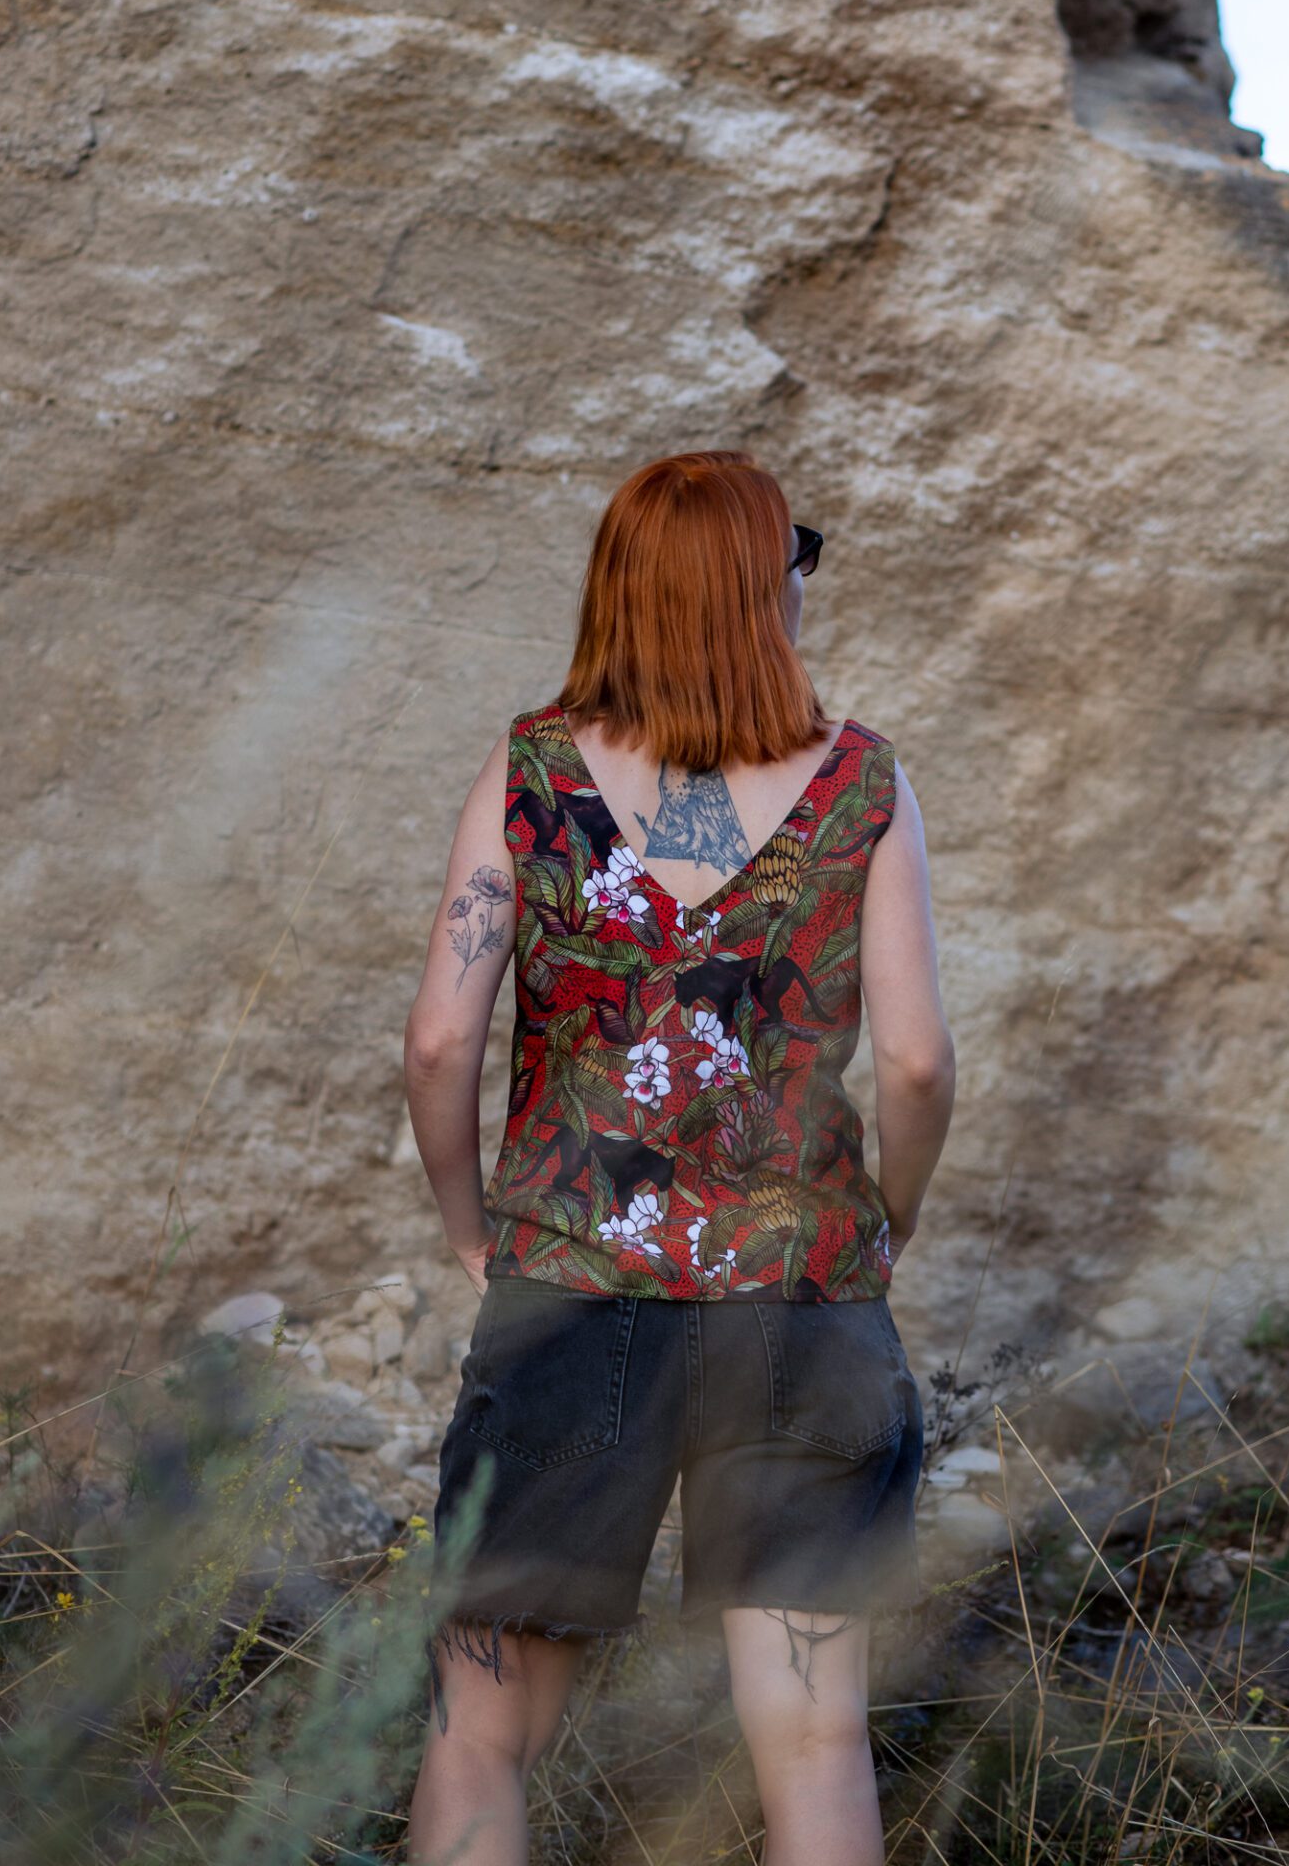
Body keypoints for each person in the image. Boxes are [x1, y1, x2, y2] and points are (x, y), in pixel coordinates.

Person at [400, 449, 956, 1866]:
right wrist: (878, 1223)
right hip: (801, 1297)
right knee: (814, 1744)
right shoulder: (861, 784)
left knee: (481, 1735)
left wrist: (475, 1229)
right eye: (795, 555)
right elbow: (915, 1063)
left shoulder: (531, 771)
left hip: (571, 1288)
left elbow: (440, 1045)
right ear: (760, 589)